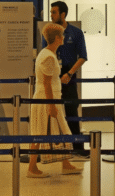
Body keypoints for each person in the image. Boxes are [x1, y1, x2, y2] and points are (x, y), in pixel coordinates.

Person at [27, 22, 83, 177]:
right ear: (58, 38)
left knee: (55, 131)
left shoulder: (47, 54)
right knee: (42, 133)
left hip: (49, 99)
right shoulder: (48, 57)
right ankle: (32, 168)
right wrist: (51, 105)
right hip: (47, 100)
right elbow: (46, 83)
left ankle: (65, 164)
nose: (64, 37)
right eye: (62, 35)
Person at [43, 1, 88, 154]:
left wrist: (69, 74)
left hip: (69, 74)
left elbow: (83, 56)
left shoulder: (76, 33)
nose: (51, 15)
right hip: (52, 73)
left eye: (54, 12)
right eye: (51, 12)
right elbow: (46, 53)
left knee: (71, 111)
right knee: (51, 110)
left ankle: (77, 148)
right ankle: (51, 147)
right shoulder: (49, 32)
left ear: (62, 14)